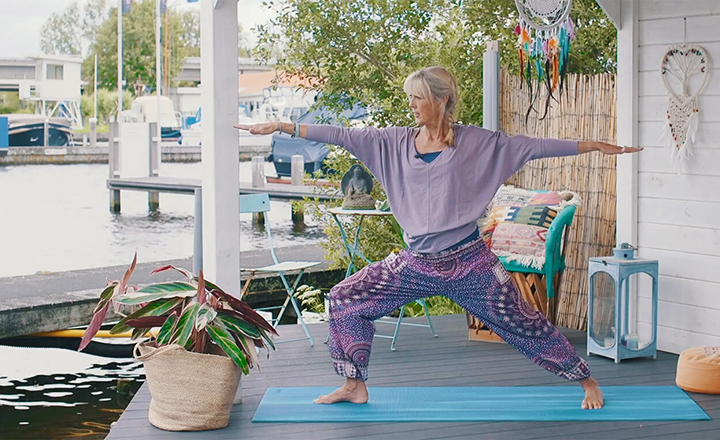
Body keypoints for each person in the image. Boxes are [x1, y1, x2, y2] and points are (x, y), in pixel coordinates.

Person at [235, 66, 642, 410]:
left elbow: (532, 147)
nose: (411, 105)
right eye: (410, 98)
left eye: (417, 98)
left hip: (470, 262)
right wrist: (283, 125)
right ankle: (354, 385)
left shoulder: (477, 143)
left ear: (441, 100)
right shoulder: (391, 142)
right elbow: (339, 134)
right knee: (344, 298)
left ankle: (586, 380)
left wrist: (592, 146)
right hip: (415, 263)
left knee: (523, 322)